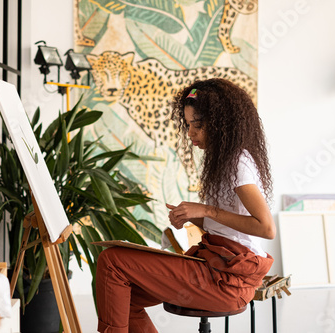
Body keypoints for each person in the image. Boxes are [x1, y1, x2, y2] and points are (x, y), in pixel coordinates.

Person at [95, 78, 276, 333]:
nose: (190, 133)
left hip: (227, 280)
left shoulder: (238, 162)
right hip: (216, 265)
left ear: (221, 123)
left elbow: (266, 228)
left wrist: (205, 210)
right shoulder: (224, 160)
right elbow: (229, 224)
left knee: (112, 261)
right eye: (188, 125)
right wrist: (191, 217)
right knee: (129, 298)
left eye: (197, 125)